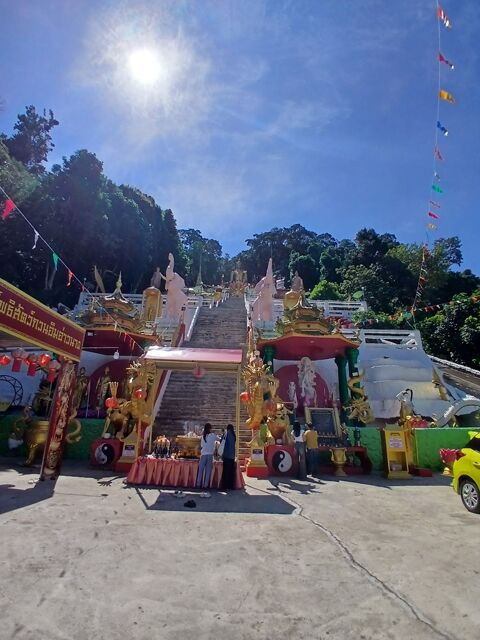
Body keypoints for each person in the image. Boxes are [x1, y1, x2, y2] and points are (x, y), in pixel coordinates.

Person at [196, 423, 217, 492]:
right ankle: (205, 485)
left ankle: (198, 484)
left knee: (201, 470)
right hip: (210, 454)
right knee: (208, 470)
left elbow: (202, 445)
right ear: (210, 428)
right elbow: (219, 439)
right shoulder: (212, 435)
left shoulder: (203, 436)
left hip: (203, 454)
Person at [220, 424, 237, 490]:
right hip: (232, 456)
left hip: (226, 455)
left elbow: (221, 441)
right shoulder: (233, 435)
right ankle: (230, 486)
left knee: (225, 472)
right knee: (231, 472)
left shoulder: (226, 434)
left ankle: (224, 486)